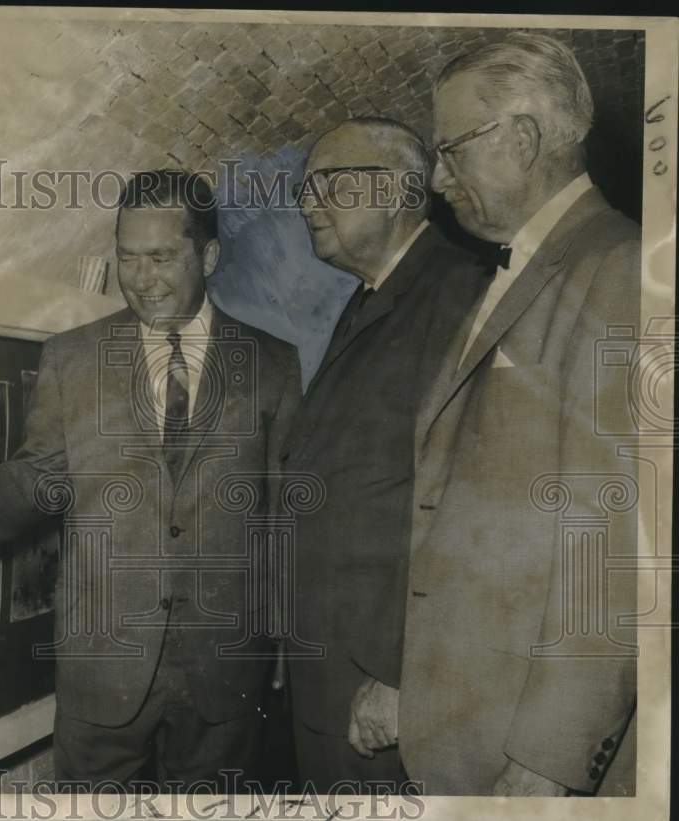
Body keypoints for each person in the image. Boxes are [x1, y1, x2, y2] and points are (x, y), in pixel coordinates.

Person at [0, 170, 301, 789]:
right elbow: (45, 475)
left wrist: (280, 641)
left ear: (210, 255)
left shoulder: (272, 363)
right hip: (102, 665)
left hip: (225, 668)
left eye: (163, 258)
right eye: (127, 259)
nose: (142, 280)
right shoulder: (72, 356)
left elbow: (281, 516)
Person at [399, 32, 639, 795]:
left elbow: (618, 543)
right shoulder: (520, 269)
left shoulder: (624, 269)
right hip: (468, 726)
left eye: (452, 150)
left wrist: (548, 759)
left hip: (527, 754)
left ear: (525, 138)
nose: (437, 178)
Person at [281, 118, 486, 792]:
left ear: (402, 190)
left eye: (328, 184)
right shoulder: (370, 299)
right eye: (304, 188)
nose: (308, 202)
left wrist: (406, 674)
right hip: (335, 669)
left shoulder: (464, 293)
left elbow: (475, 504)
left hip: (386, 689)